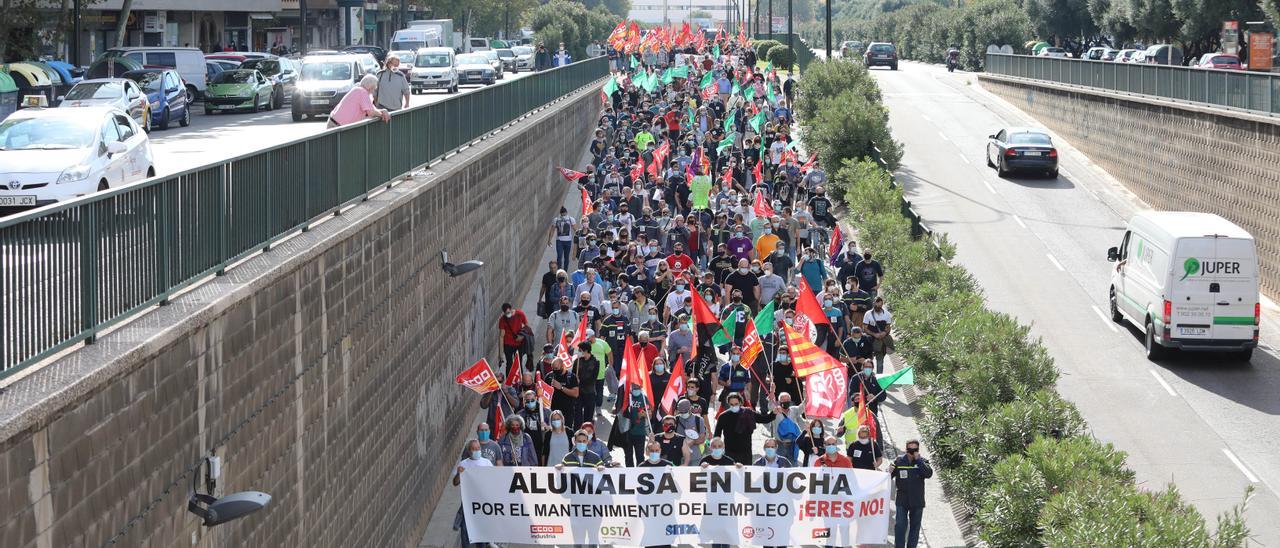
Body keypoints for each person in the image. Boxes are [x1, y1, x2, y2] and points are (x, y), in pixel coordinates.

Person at [452, 439, 494, 547]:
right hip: (468, 502)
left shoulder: (487, 463)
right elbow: (455, 483)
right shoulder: (463, 464)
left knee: (481, 528)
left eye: (478, 448)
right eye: (474, 449)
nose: (476, 450)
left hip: (483, 501)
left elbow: (494, 480)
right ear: (469, 451)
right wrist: (459, 474)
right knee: (466, 529)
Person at [712, 391, 774, 464]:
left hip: (746, 453)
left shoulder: (748, 413)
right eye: (731, 404)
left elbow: (764, 419)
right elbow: (717, 435)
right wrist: (717, 452)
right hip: (730, 453)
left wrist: (774, 413)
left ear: (740, 403)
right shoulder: (723, 416)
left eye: (736, 404)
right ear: (728, 404)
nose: (734, 406)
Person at [891, 440, 933, 548]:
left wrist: (918, 460)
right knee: (900, 525)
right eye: (910, 450)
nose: (913, 452)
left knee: (915, 527)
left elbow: (928, 474)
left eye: (915, 450)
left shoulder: (923, 462)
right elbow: (887, 477)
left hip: (917, 500)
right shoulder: (899, 461)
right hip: (902, 499)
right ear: (906, 450)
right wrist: (889, 471)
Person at [545, 353, 581, 428]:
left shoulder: (571, 377)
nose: (554, 370)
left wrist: (561, 387)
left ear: (562, 366)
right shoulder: (549, 376)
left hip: (567, 411)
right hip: (553, 411)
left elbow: (575, 393)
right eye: (553, 368)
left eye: (556, 368)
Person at [863, 297, 894, 373]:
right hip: (870, 340)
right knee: (868, 361)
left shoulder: (887, 314)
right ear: (874, 303)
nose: (877, 305)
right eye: (876, 303)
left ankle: (879, 379)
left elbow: (888, 327)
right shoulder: (868, 314)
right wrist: (874, 334)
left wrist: (884, 333)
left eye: (879, 304)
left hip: (881, 341)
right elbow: (865, 328)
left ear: (882, 304)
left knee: (880, 362)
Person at [573, 340, 601, 425]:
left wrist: (580, 381)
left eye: (580, 350)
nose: (579, 352)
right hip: (578, 393)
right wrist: (575, 380)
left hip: (589, 392)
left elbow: (593, 378)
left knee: (588, 417)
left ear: (586, 351)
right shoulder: (577, 361)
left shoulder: (596, 362)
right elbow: (574, 374)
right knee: (577, 415)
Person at [498, 303, 530, 369]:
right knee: (509, 363)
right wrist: (500, 353)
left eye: (509, 312)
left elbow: (527, 327)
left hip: (518, 343)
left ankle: (519, 379)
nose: (508, 315)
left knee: (518, 363)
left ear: (512, 309)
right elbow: (501, 336)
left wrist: (522, 336)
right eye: (506, 313)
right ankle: (509, 379)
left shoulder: (520, 314)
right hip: (508, 344)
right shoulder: (503, 319)